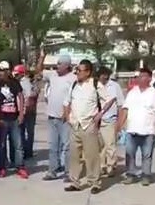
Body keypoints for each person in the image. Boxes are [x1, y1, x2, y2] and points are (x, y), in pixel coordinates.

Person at [63, 59, 109, 194]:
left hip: (89, 125)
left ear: (88, 72)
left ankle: (95, 182)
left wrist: (100, 114)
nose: (77, 72)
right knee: (74, 156)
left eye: (79, 70)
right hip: (75, 124)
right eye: (76, 70)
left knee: (92, 156)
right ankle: (74, 182)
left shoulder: (95, 84)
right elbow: (67, 102)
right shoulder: (74, 85)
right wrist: (67, 117)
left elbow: (109, 99)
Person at [119, 67, 155, 186]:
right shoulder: (132, 92)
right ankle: (130, 174)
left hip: (148, 131)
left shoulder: (154, 93)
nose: (141, 78)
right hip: (132, 130)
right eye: (139, 76)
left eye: (144, 76)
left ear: (149, 78)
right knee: (130, 154)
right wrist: (119, 125)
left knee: (147, 155)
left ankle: (146, 176)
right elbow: (125, 109)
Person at [36, 52, 77, 181]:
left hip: (64, 118)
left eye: (59, 64)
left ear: (67, 66)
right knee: (53, 146)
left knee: (67, 146)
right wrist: (42, 57)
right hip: (52, 116)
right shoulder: (52, 75)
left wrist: (68, 113)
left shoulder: (73, 78)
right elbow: (38, 71)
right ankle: (52, 171)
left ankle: (69, 172)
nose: (57, 66)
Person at [0, 61, 29, 179]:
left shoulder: (14, 83)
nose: (1, 72)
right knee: (1, 145)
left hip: (14, 118)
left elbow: (20, 97)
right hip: (1, 119)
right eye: (0, 70)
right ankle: (2, 167)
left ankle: (20, 167)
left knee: (18, 144)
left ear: (8, 71)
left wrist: (21, 114)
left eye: (3, 70)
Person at [96, 67, 123, 177]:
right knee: (100, 146)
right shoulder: (95, 86)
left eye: (106, 74)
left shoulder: (114, 86)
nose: (104, 77)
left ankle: (111, 166)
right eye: (102, 75)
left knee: (110, 144)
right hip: (96, 120)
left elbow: (121, 104)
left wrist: (120, 122)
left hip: (110, 119)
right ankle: (101, 165)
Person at [15, 64, 38, 158]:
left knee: (27, 131)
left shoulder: (25, 82)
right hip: (24, 110)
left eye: (17, 74)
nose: (15, 76)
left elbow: (28, 95)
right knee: (22, 131)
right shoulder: (20, 81)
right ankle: (26, 150)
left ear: (22, 73)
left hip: (27, 111)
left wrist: (24, 109)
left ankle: (27, 151)